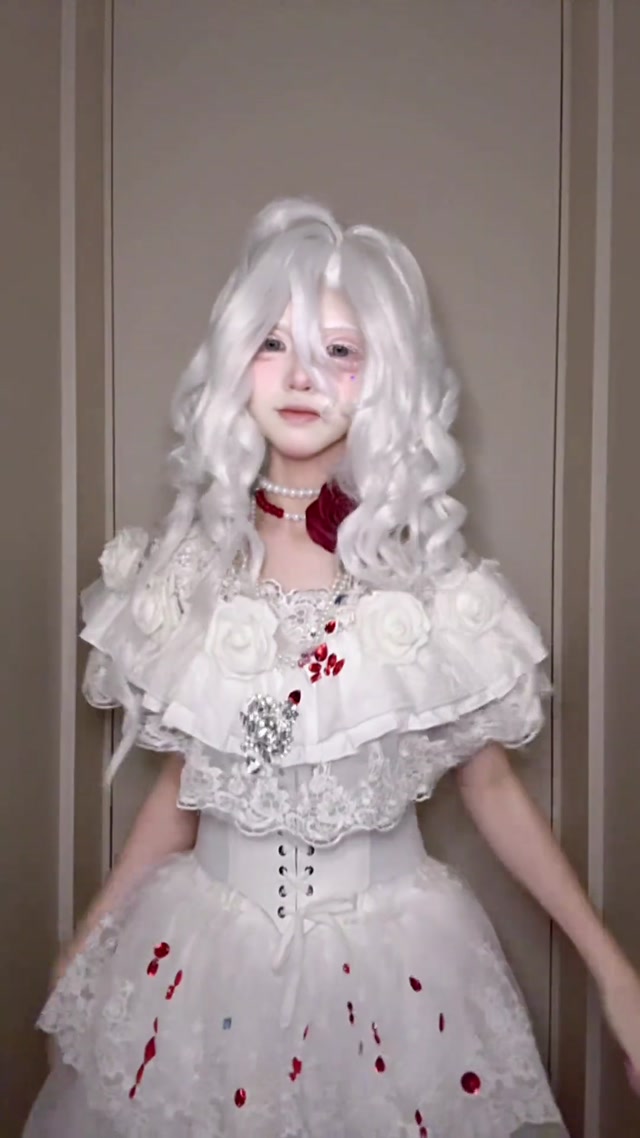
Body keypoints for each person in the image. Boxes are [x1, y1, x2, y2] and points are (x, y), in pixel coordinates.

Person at [24, 199, 640, 1138]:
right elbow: (182, 792)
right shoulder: (188, 572)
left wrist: (616, 975)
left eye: (339, 351)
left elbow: (491, 789)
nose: (303, 374)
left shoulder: (429, 587)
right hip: (202, 966)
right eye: (274, 344)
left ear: (384, 378)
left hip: (397, 979)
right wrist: (87, 941)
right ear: (236, 365)